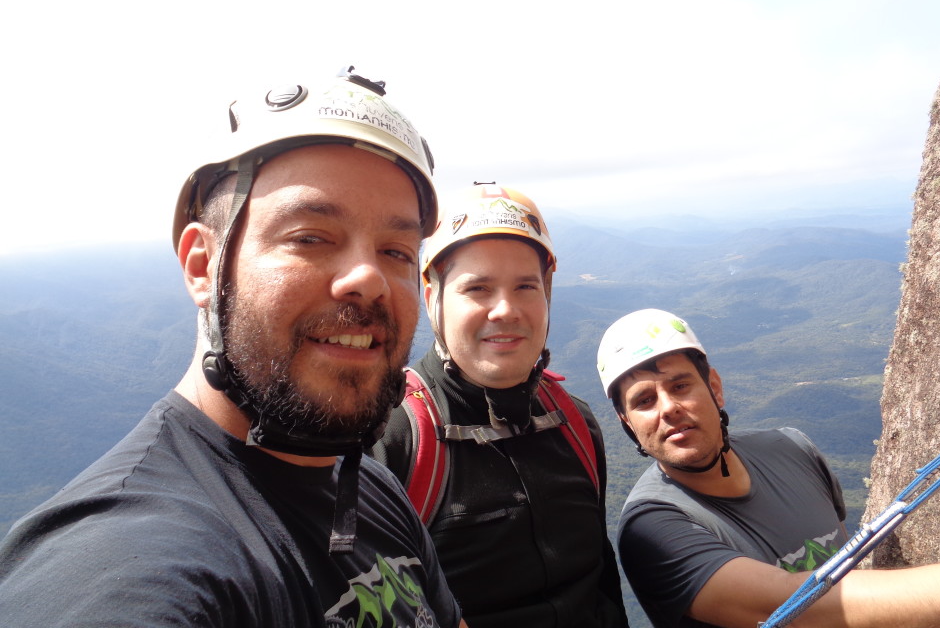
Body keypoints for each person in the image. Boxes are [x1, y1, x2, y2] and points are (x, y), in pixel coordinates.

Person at [0, 67, 466, 628]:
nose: (368, 277)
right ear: (203, 267)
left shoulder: (369, 487)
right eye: (310, 237)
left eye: (397, 251)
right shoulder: (126, 560)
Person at [596, 307, 940, 628]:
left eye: (680, 385)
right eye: (644, 401)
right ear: (627, 424)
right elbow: (793, 607)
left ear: (715, 388)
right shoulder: (654, 528)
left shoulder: (792, 448)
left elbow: (846, 567)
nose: (668, 409)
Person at [371, 182, 628, 628]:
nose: (505, 309)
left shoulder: (575, 422)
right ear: (434, 301)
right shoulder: (394, 438)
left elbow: (601, 580)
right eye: (478, 288)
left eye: (526, 286)